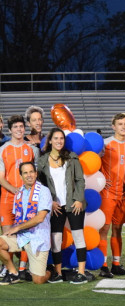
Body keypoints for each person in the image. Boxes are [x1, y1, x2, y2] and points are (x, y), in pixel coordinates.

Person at [38, 128, 88, 283]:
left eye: (61, 138)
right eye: (56, 138)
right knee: (56, 239)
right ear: (50, 140)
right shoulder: (42, 161)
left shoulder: (72, 158)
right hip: (55, 206)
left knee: (79, 237)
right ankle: (58, 273)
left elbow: (80, 180)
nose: (59, 141)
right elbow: (40, 184)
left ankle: (81, 272)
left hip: (73, 203)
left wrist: (79, 199)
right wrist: (50, 202)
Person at [0, 162, 52, 285]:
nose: (29, 175)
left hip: (38, 239)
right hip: (21, 236)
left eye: (31, 172)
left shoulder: (44, 191)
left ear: (36, 173)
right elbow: (18, 217)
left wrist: (17, 228)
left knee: (38, 281)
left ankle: (51, 271)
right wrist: (13, 230)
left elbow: (40, 218)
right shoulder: (19, 193)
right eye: (25, 173)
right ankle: (13, 273)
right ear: (21, 176)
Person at [0, 115, 39, 279]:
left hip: (26, 201)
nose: (19, 129)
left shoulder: (31, 150)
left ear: (25, 128)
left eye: (21, 127)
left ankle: (23, 268)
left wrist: (26, 192)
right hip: (7, 199)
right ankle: (8, 268)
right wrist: (15, 190)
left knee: (25, 235)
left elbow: (34, 175)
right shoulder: (3, 149)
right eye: (15, 127)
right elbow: (1, 177)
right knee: (7, 237)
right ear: (10, 130)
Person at [98, 113, 125, 277]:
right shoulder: (105, 144)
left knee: (118, 229)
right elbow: (94, 163)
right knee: (104, 229)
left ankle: (116, 264)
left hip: (123, 194)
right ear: (113, 126)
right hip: (107, 194)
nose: (123, 126)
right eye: (120, 124)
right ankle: (103, 265)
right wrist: (101, 180)